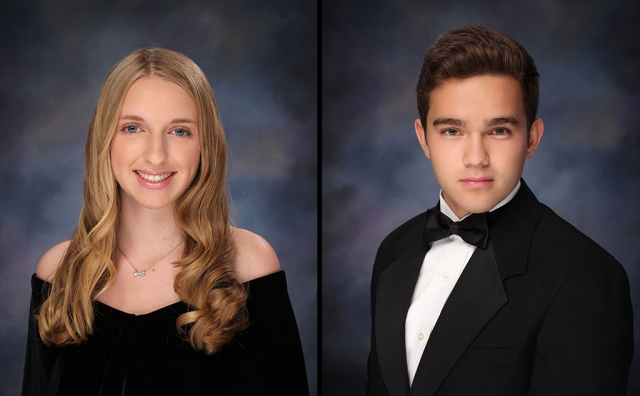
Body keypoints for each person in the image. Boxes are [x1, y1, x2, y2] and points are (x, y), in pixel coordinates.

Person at [23, 48, 309, 395]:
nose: (156, 155)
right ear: (106, 140)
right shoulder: (59, 273)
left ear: (205, 145)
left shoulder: (249, 265)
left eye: (179, 131)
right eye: (132, 128)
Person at [367, 25, 633, 396]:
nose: (476, 158)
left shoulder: (587, 277)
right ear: (423, 138)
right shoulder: (393, 251)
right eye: (452, 131)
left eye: (499, 131)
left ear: (532, 139)